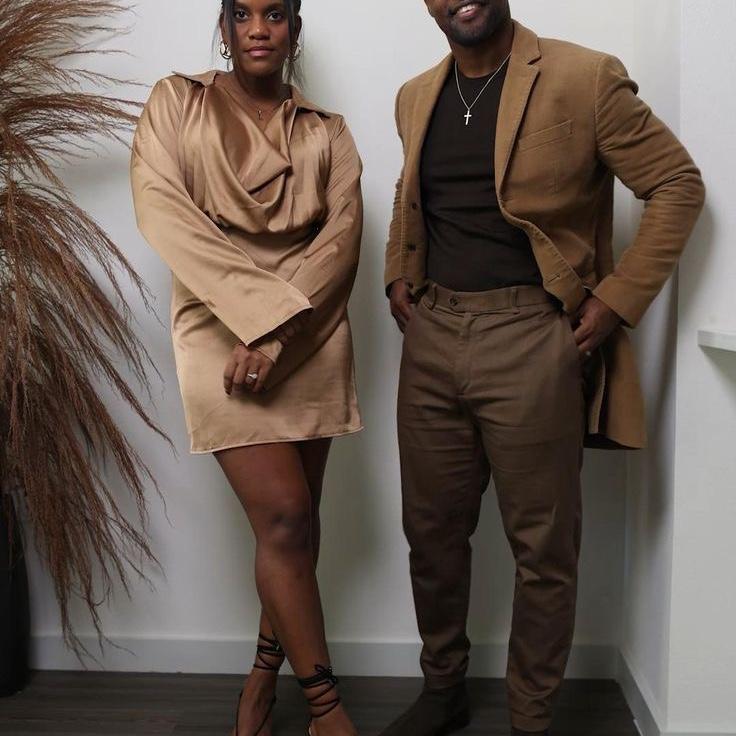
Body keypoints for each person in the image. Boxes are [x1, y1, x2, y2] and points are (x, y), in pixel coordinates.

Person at [382, 2, 705, 735]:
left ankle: (530, 717)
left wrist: (617, 300)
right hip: (432, 336)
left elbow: (676, 184)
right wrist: (398, 270)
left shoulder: (584, 77)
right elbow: (414, 195)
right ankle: (443, 690)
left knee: (542, 549)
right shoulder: (414, 94)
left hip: (532, 333)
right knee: (431, 535)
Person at [130, 2, 363, 735]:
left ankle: (262, 678)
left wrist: (279, 338)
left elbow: (341, 243)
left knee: (294, 527)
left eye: (275, 14)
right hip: (216, 320)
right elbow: (163, 213)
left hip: (310, 327)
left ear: (295, 28)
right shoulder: (177, 102)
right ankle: (327, 711)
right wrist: (259, 321)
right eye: (242, 14)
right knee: (286, 515)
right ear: (225, 29)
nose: (259, 27)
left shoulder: (329, 130)